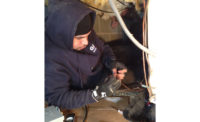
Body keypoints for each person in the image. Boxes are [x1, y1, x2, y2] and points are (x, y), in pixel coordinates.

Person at [45, 0, 127, 109]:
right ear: (62, 34)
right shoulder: (50, 58)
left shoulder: (83, 31)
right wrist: (97, 94)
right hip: (84, 97)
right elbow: (58, 98)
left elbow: (103, 48)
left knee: (128, 52)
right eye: (80, 38)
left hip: (102, 80)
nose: (86, 42)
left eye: (88, 36)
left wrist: (111, 62)